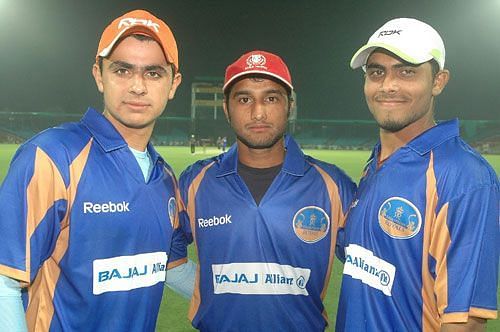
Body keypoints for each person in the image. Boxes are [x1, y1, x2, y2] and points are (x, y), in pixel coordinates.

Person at [0, 9, 192, 331]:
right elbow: (4, 281)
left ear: (173, 84)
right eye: (122, 70)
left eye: (154, 73)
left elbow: (171, 268)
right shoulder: (52, 157)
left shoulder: (165, 179)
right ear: (99, 75)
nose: (137, 87)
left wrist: (256, 295)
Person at [336, 18, 499, 331]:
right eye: (376, 72)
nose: (388, 85)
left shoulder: (465, 179)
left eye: (406, 71)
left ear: (438, 81)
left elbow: (464, 324)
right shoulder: (378, 163)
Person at [178, 50, 356, 331]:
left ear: (290, 105)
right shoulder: (195, 181)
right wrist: (209, 299)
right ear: (227, 108)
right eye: (244, 99)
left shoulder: (333, 185)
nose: (258, 112)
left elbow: (370, 268)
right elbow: (167, 254)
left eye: (271, 98)